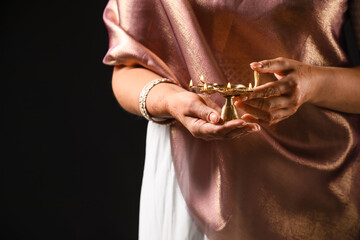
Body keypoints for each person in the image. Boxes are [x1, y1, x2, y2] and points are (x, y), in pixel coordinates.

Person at [103, 0, 360, 239]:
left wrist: (313, 84)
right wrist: (170, 101)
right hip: (193, 169)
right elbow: (127, 67)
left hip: (321, 178)